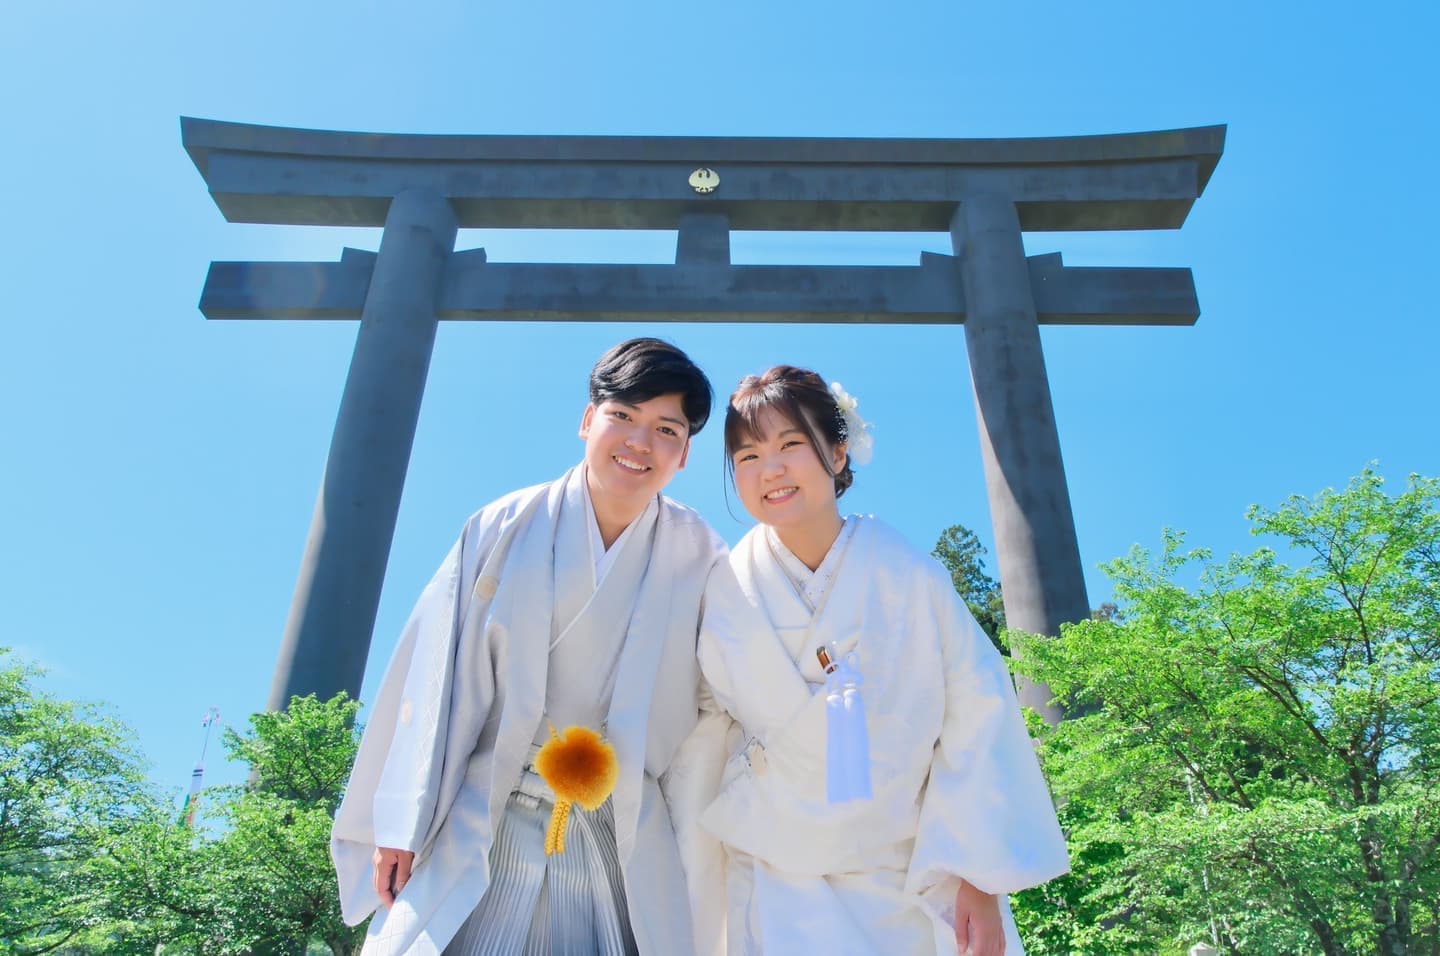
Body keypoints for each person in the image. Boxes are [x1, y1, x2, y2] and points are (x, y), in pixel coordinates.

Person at [331, 338, 729, 956]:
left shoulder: (702, 556)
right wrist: (400, 823)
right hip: (484, 808)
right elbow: (428, 674)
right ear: (586, 419)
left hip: (615, 827)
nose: (639, 442)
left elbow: (718, 703)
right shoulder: (503, 525)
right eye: (622, 415)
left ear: (684, 453)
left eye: (665, 428)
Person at [696, 366, 1070, 956]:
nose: (769, 469)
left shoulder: (908, 576)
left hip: (905, 875)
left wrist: (979, 875)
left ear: (839, 452)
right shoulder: (723, 589)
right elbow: (701, 735)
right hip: (773, 874)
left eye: (790, 444)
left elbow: (977, 717)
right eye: (747, 455)